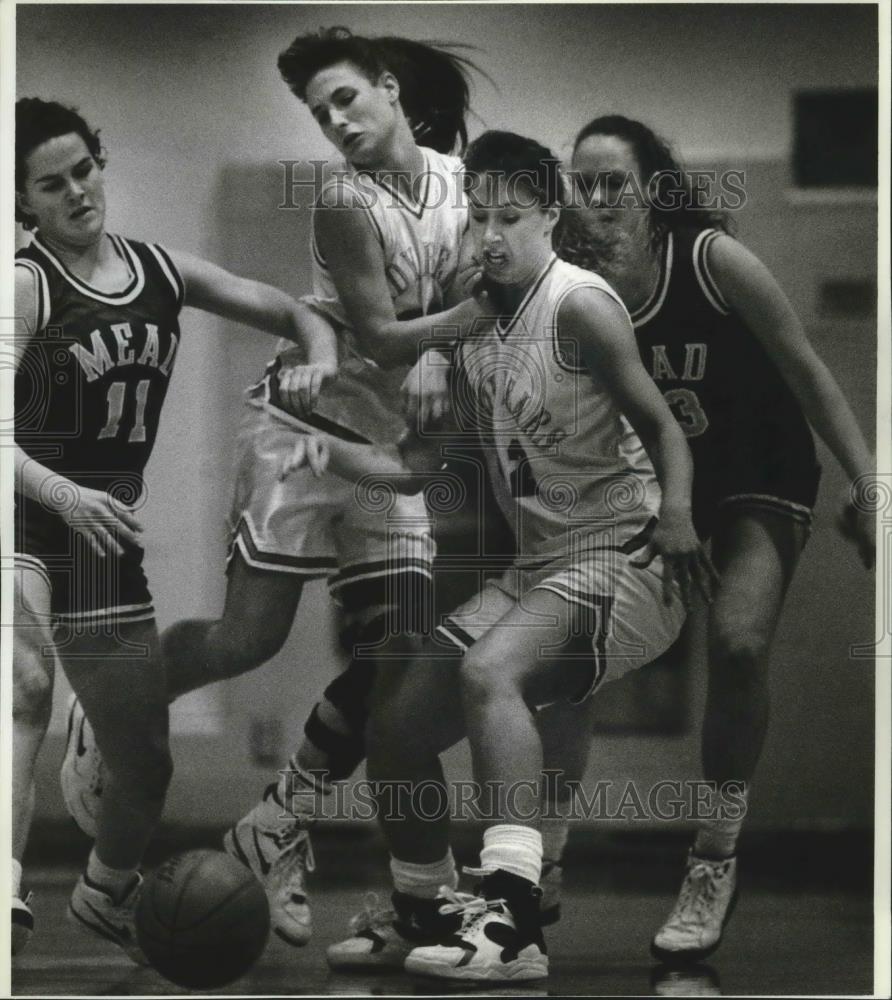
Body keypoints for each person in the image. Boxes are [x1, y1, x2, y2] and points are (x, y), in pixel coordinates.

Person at [61, 28, 490, 948]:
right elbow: (378, 337)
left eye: (345, 99)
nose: (335, 121)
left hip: (392, 451)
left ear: (388, 87)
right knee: (249, 640)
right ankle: (116, 718)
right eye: (319, 111)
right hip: (300, 432)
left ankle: (278, 825)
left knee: (399, 659)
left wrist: (459, 337)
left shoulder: (467, 190)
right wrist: (481, 316)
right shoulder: (343, 203)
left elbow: (483, 308)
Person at [319, 130, 715, 982]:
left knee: (491, 675)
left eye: (510, 216)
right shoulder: (480, 323)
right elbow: (421, 464)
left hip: (632, 554)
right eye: (478, 217)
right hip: (543, 567)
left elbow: (664, 428)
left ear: (550, 218)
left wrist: (679, 511)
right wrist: (330, 451)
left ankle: (512, 922)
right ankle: (424, 906)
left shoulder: (580, 306)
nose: (489, 234)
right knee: (397, 727)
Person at [536, 114, 876, 964]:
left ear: (655, 186)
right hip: (654, 493)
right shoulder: (574, 283)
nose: (599, 196)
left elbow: (808, 372)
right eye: (585, 181)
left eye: (616, 179)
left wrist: (873, 487)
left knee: (738, 643)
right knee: (567, 656)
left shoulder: (713, 261)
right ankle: (536, 863)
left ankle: (713, 858)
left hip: (757, 476)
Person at [12, 97, 338, 958]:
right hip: (25, 522)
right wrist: (64, 495)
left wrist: (319, 353)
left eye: (85, 169)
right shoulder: (27, 283)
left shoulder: (161, 271)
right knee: (21, 695)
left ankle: (104, 891)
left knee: (147, 767)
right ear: (24, 204)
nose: (79, 192)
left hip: (100, 548)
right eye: (53, 184)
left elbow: (289, 308)